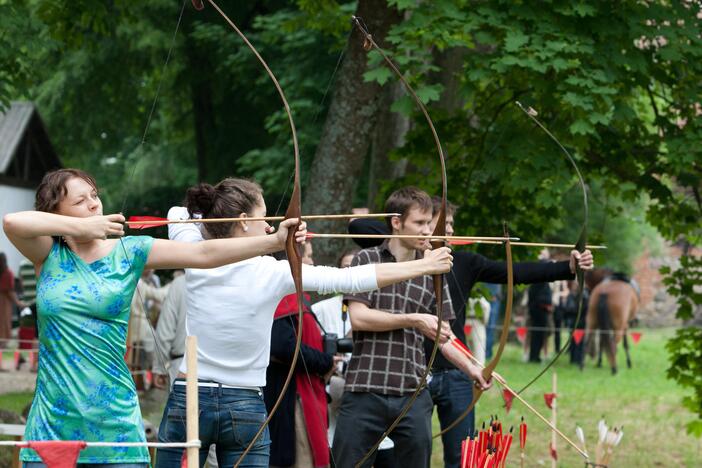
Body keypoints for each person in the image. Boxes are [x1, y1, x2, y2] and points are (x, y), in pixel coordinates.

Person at [2, 168, 309, 467]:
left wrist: (274, 242)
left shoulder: (130, 251)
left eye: (94, 195)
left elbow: (204, 256)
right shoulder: (48, 255)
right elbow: (12, 221)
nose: (94, 204)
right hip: (52, 424)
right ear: (56, 212)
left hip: (115, 423)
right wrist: (79, 230)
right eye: (80, 201)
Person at [154, 178, 454, 468]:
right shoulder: (274, 272)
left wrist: (240, 232)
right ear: (244, 221)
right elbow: (349, 278)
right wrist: (425, 265)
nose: (270, 224)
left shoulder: (193, 248)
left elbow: (178, 213)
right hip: (243, 402)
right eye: (265, 216)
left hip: (191, 392)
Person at [347, 196, 594, 468]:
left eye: (445, 225)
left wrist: (567, 267)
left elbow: (514, 272)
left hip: (442, 376)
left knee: (461, 456)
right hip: (391, 378)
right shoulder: (383, 258)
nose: (447, 231)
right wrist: (408, 235)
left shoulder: (458, 263)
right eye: (438, 224)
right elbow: (360, 226)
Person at [332, 187, 490, 468]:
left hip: (412, 393)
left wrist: (473, 368)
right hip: (364, 389)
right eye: (419, 223)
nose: (427, 231)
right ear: (396, 221)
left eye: (429, 223)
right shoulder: (366, 259)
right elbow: (359, 318)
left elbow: (445, 336)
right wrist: (414, 319)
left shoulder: (433, 271)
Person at [152, 272, 187, 388]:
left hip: (183, 366)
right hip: (229, 372)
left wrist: (159, 368)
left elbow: (165, 332)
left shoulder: (180, 283)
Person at [0, 252, 26, 347]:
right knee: (4, 324)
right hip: (4, 302)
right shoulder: (8, 273)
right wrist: (18, 303)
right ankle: (2, 346)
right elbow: (10, 292)